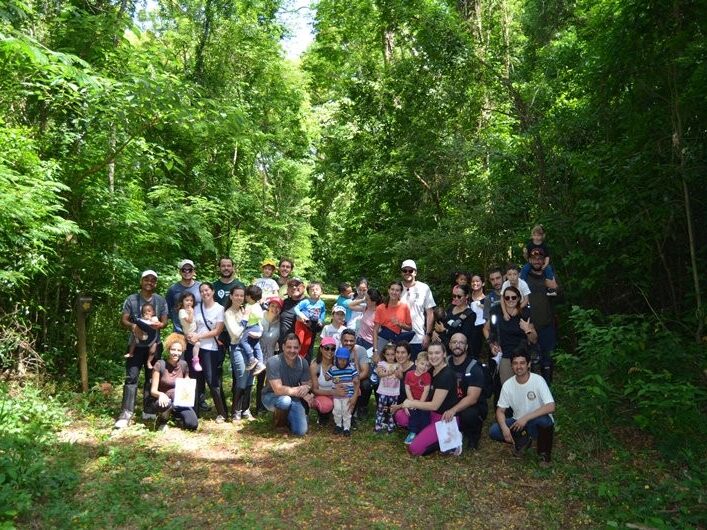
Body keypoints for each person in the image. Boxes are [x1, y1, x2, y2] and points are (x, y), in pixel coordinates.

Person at [114, 270, 168, 429]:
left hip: (154, 345)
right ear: (141, 281)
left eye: (153, 280)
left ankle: (149, 409)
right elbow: (124, 319)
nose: (149, 282)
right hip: (136, 345)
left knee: (152, 377)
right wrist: (133, 326)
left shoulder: (160, 300)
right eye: (146, 279)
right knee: (131, 377)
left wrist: (160, 325)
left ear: (155, 283)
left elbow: (165, 321)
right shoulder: (131, 299)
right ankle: (126, 413)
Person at [489, 347, 555, 463]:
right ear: (511, 365)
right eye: (515, 363)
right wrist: (505, 429)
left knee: (545, 421)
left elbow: (551, 406)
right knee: (494, 431)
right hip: (517, 422)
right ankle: (523, 440)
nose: (518, 366)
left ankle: (543, 454)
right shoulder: (508, 385)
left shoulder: (538, 380)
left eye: (522, 363)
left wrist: (526, 418)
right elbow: (500, 411)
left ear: (528, 364)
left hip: (536, 421)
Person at [395, 341, 462, 456]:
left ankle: (452, 440)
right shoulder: (430, 370)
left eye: (437, 353)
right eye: (430, 353)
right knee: (400, 416)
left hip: (444, 418)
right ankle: (426, 431)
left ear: (444, 354)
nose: (433, 356)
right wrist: (404, 405)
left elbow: (434, 405)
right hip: (428, 412)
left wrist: (411, 403)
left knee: (415, 449)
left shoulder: (446, 375)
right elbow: (414, 387)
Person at [186, 282, 227, 422]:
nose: (205, 293)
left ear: (213, 291)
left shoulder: (219, 309)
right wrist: (190, 335)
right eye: (202, 291)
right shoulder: (196, 308)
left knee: (212, 380)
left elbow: (217, 330)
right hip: (195, 348)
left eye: (207, 290)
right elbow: (191, 325)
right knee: (195, 380)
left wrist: (199, 336)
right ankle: (194, 412)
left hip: (211, 349)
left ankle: (222, 413)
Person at [262, 333, 315, 436]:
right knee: (285, 401)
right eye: (289, 347)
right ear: (283, 347)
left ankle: (288, 419)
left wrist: (307, 388)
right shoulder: (273, 362)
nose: (292, 350)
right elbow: (278, 390)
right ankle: (280, 425)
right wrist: (301, 392)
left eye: (295, 347)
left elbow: (307, 383)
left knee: (301, 431)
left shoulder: (303, 362)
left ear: (299, 348)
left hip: (293, 397)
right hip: (271, 396)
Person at [485, 285, 537, 385]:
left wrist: (527, 330)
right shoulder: (496, 311)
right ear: (503, 299)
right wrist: (492, 345)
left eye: (513, 297)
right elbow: (486, 329)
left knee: (524, 385)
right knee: (507, 386)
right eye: (507, 297)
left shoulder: (525, 312)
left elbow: (534, 340)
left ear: (518, 298)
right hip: (505, 355)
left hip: (522, 355)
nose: (510, 300)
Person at [443, 333, 488, 450]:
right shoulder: (445, 362)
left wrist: (453, 410)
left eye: (461, 342)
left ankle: (473, 436)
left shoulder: (474, 367)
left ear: (466, 346)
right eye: (454, 342)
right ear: (449, 345)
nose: (457, 345)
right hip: (452, 401)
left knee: (469, 415)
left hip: (471, 406)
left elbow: (472, 398)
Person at [145, 333, 198, 431]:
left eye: (179, 350)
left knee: (192, 424)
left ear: (182, 351)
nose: (176, 353)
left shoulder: (184, 365)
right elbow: (153, 391)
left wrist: (189, 384)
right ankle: (162, 420)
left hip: (179, 400)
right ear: (168, 350)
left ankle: (175, 415)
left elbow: (187, 381)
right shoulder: (160, 364)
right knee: (165, 404)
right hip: (163, 400)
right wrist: (161, 395)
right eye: (173, 349)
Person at [525, 248, 559, 384]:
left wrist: (554, 288)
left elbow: (560, 297)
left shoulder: (549, 275)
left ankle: (548, 389)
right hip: (530, 326)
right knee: (532, 361)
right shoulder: (524, 277)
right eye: (534, 259)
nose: (537, 261)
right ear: (530, 260)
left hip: (547, 325)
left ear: (544, 260)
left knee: (548, 360)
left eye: (540, 258)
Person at [223, 286, 254, 421]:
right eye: (236, 295)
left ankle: (246, 410)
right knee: (241, 379)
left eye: (242, 295)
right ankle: (236, 411)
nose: (239, 298)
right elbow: (235, 334)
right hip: (237, 348)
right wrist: (245, 318)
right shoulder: (228, 313)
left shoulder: (244, 309)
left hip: (250, 348)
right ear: (231, 296)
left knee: (250, 380)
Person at [400, 259, 436, 359]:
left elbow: (430, 313)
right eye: (405, 270)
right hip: (399, 338)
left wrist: (428, 335)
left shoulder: (424, 288)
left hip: (418, 338)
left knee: (419, 366)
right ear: (401, 272)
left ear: (415, 272)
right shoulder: (396, 288)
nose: (407, 273)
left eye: (410, 270)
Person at [255, 296, 282, 414]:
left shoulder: (280, 322)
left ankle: (263, 405)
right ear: (268, 306)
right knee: (257, 381)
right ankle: (254, 406)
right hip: (256, 353)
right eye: (272, 306)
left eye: (278, 307)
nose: (275, 309)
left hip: (271, 354)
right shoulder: (260, 316)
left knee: (268, 382)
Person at [325, 347, 360, 436]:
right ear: (336, 359)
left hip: (348, 395)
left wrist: (355, 379)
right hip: (337, 395)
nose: (342, 362)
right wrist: (328, 371)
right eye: (340, 359)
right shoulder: (333, 369)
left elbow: (356, 377)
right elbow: (327, 377)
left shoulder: (351, 368)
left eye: (344, 360)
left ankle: (346, 428)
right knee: (337, 410)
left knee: (346, 410)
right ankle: (338, 425)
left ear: (348, 360)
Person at [372, 280, 413, 354]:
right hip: (383, 340)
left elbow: (410, 328)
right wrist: (375, 350)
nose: (394, 292)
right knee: (379, 361)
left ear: (400, 292)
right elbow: (375, 330)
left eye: (397, 290)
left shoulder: (404, 307)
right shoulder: (380, 308)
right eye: (392, 289)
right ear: (388, 290)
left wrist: (400, 324)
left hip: (397, 342)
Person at [401, 352, 432, 445]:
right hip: (412, 400)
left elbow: (426, 390)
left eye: (427, 365)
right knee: (413, 415)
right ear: (416, 362)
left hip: (423, 402)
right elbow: (407, 388)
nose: (424, 367)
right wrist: (411, 401)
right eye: (422, 363)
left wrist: (420, 404)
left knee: (424, 416)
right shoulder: (409, 374)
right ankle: (413, 432)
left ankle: (423, 432)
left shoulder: (427, 376)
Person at [433, 284, 474, 351]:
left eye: (459, 296)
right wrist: (435, 332)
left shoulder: (470, 314)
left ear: (466, 296)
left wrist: (444, 331)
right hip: (442, 349)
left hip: (456, 350)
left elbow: (464, 337)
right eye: (454, 296)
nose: (456, 298)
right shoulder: (450, 308)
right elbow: (441, 322)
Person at [340, 328, 371, 419]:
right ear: (341, 340)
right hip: (341, 379)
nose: (348, 343)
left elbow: (365, 371)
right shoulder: (337, 350)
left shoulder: (361, 350)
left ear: (355, 340)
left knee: (366, 385)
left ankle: (362, 407)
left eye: (351, 341)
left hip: (357, 378)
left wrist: (352, 380)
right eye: (346, 340)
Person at [165, 259, 201, 333]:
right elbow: (167, 310)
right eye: (184, 270)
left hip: (198, 331)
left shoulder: (200, 287)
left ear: (194, 271)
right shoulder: (173, 289)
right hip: (179, 332)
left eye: (190, 270)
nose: (187, 272)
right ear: (180, 272)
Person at [520, 224, 557, 294]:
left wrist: (545, 264)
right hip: (531, 263)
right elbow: (526, 256)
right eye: (535, 235)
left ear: (542, 236)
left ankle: (550, 288)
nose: (536, 237)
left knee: (549, 269)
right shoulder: (530, 245)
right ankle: (521, 286)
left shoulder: (544, 245)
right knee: (524, 269)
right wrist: (525, 253)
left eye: (538, 235)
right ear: (532, 235)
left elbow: (547, 256)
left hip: (542, 263)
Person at [294, 281, 326, 359]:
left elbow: (323, 312)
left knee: (307, 343)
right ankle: (295, 355)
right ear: (308, 293)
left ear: (321, 292)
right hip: (301, 324)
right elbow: (296, 308)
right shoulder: (305, 302)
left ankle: (301, 357)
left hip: (311, 326)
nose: (314, 291)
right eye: (312, 290)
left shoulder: (321, 303)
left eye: (317, 289)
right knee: (299, 341)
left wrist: (321, 320)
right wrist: (301, 315)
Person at [309, 337, 337, 425]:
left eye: (333, 349)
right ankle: (323, 415)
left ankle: (336, 414)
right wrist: (332, 392)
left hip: (335, 394)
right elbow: (315, 390)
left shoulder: (338, 364)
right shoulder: (315, 366)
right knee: (326, 405)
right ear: (321, 349)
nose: (330, 351)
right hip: (320, 395)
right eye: (327, 348)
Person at [239, 284, 266, 375]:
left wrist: (247, 315)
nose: (245, 297)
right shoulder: (251, 305)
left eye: (246, 295)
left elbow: (258, 316)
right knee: (256, 345)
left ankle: (251, 358)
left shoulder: (252, 306)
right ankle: (260, 363)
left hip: (252, 327)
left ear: (249, 296)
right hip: (255, 327)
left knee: (243, 341)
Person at [374, 344, 399, 434]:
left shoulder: (398, 364)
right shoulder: (382, 364)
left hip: (394, 392)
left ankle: (390, 427)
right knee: (381, 409)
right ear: (384, 355)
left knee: (392, 410)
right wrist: (389, 372)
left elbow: (400, 375)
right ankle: (378, 426)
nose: (390, 357)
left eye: (392, 354)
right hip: (383, 391)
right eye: (388, 354)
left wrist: (397, 371)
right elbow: (380, 374)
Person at [177, 292, 202, 372]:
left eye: (191, 300)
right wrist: (191, 313)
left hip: (195, 332)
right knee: (197, 344)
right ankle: (195, 360)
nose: (189, 302)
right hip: (189, 333)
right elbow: (189, 321)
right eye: (187, 300)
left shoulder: (192, 310)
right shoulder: (182, 311)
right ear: (182, 301)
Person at [278, 277, 306, 348]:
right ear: (288, 289)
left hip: (300, 347)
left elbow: (317, 327)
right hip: (283, 345)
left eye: (297, 285)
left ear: (303, 287)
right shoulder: (285, 302)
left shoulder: (309, 303)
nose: (294, 287)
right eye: (291, 285)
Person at [468, 274, 486, 359]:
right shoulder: (466, 298)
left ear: (483, 283)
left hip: (481, 330)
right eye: (473, 281)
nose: (475, 283)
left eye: (477, 281)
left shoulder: (487, 299)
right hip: (467, 329)